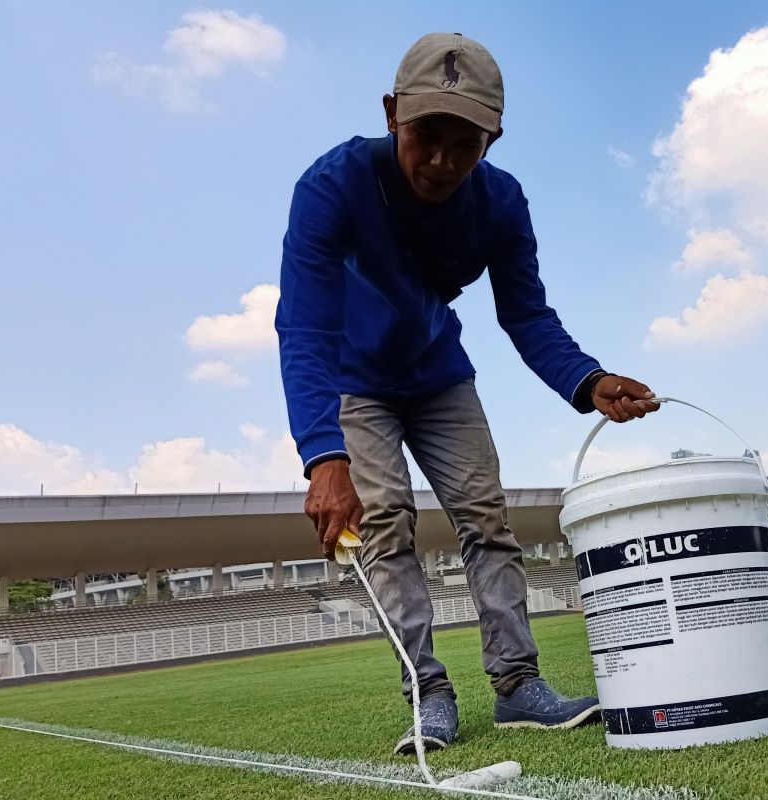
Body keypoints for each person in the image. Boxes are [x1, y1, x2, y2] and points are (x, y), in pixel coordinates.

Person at [275, 32, 658, 754]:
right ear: (393, 114)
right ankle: (427, 693)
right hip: (353, 382)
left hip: (438, 375)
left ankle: (517, 686)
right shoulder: (332, 186)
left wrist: (590, 379)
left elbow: (526, 314)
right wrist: (324, 456)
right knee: (384, 522)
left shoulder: (502, 203)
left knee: (488, 517)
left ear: (493, 138)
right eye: (428, 136)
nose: (444, 161)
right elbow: (304, 325)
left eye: (467, 143)